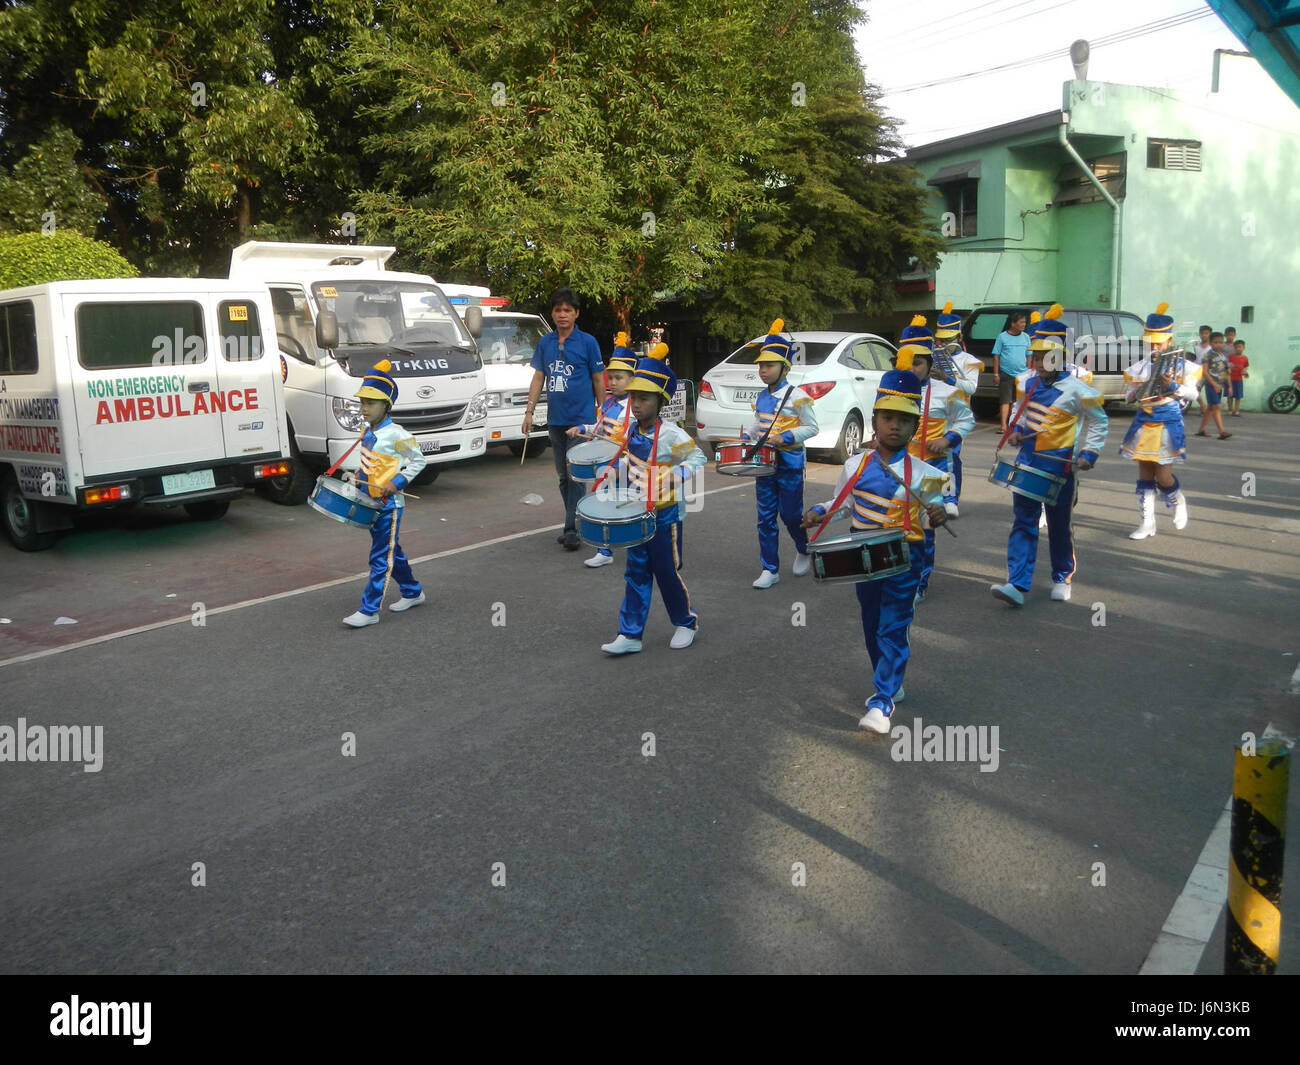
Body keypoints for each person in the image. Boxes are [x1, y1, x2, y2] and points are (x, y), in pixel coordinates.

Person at [801, 369, 948, 733]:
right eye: (887, 418)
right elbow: (842, 502)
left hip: (904, 559)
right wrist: (819, 511)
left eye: (903, 420)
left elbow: (935, 513)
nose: (894, 427)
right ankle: (890, 682)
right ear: (874, 421)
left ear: (915, 427)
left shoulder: (927, 474)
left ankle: (881, 702)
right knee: (871, 623)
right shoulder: (855, 464)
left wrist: (939, 513)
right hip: (860, 558)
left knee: (893, 626)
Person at [989, 309, 1108, 606]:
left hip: (1060, 469)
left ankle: (1062, 576)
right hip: (1029, 465)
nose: (1036, 363)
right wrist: (1015, 430)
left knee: (1058, 525)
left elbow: (1099, 421)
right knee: (1023, 522)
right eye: (1035, 357)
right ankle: (1016, 583)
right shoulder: (1026, 383)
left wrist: (1089, 453)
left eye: (1042, 358)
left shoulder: (1078, 390)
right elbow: (1020, 411)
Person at [600, 348, 708, 656]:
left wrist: (676, 475)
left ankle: (686, 622)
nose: (636, 404)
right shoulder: (632, 429)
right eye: (634, 398)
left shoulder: (672, 435)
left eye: (644, 398)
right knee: (635, 572)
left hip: (664, 516)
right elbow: (627, 463)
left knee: (666, 572)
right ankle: (630, 633)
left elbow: (699, 456)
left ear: (660, 401)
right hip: (637, 513)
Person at [341, 360, 428, 628]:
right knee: (392, 552)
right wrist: (359, 475)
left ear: (386, 405)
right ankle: (413, 592)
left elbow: (419, 460)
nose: (364, 408)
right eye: (362, 402)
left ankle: (369, 610)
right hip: (370, 503)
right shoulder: (369, 431)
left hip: (388, 505)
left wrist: (398, 480)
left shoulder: (396, 434)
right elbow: (370, 461)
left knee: (380, 557)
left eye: (371, 403)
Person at [522, 288, 606, 550]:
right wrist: (529, 410)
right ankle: (576, 521)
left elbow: (597, 378)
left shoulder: (588, 343)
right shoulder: (546, 343)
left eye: (567, 310)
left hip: (580, 421)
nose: (562, 314)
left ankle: (572, 528)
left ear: (576, 313)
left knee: (574, 475)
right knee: (562, 476)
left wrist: (603, 413)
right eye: (558, 310)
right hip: (555, 420)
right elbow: (539, 377)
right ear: (553, 313)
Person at [743, 318, 819, 589]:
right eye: (761, 365)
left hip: (789, 463)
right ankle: (770, 568)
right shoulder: (762, 396)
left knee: (790, 515)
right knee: (764, 518)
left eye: (769, 365)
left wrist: (785, 437)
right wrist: (747, 436)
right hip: (764, 464)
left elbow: (812, 427)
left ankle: (803, 548)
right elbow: (759, 424)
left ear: (785, 368)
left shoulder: (798, 396)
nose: (763, 370)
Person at [897, 344, 973, 603]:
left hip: (932, 470)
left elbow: (966, 420)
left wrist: (947, 439)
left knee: (925, 529)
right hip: (899, 470)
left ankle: (920, 582)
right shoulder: (892, 390)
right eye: (907, 363)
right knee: (897, 525)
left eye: (917, 363)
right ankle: (898, 575)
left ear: (930, 365)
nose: (911, 369)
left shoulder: (947, 393)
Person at [1119, 302, 1200, 539]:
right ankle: (1147, 523)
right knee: (1145, 474)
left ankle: (1178, 500)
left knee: (1162, 476)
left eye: (1159, 343)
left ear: (1169, 341)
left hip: (1168, 422)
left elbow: (1194, 394)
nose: (1155, 347)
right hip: (1144, 422)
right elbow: (1128, 395)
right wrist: (1133, 394)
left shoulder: (1184, 365)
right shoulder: (1141, 367)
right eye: (1152, 343)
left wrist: (1173, 386)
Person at [568, 332, 637, 568]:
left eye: (619, 378)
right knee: (604, 504)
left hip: (628, 467)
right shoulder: (607, 404)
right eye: (611, 378)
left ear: (633, 379)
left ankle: (637, 542)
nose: (613, 382)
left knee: (631, 504)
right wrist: (581, 427)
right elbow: (597, 428)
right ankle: (604, 551)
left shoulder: (636, 407)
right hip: (607, 465)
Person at [934, 302, 982, 510]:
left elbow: (971, 388)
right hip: (934, 414)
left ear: (957, 338)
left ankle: (951, 499)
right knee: (931, 457)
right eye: (939, 339)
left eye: (946, 339)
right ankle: (936, 498)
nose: (942, 343)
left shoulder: (970, 361)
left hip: (956, 418)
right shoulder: (932, 358)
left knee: (950, 457)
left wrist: (950, 379)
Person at [991, 310, 1030, 433]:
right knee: (1005, 400)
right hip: (1006, 373)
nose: (1024, 324)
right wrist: (996, 374)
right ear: (1013, 324)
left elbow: (1029, 355)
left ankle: (1016, 425)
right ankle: (1003, 426)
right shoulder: (1002, 337)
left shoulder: (1026, 337)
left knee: (1019, 401)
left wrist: (1028, 372)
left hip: (1022, 375)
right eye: (1021, 322)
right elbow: (996, 356)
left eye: (1024, 322)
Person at [1196, 332, 1232, 439]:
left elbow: (1227, 372)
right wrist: (1214, 384)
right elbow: (1205, 372)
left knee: (1210, 408)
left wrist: (1230, 386)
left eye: (1220, 342)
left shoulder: (1224, 356)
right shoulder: (1208, 355)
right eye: (1215, 342)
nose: (1218, 344)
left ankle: (1201, 430)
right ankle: (1222, 431)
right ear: (1210, 343)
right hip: (1211, 385)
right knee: (1216, 407)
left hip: (1220, 386)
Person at [1192, 325, 1213, 414]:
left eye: (1206, 333)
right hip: (1198, 371)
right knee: (1194, 389)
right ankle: (1202, 406)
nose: (1204, 335)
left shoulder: (1212, 347)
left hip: (1209, 372)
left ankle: (1209, 409)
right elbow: (1196, 358)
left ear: (1210, 334)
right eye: (1202, 333)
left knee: (1210, 392)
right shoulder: (1196, 347)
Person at [1228, 339, 1250, 416]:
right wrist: (1229, 367)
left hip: (1238, 380)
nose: (1238, 349)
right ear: (1234, 348)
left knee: (1238, 396)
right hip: (1230, 380)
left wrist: (1245, 372)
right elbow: (1226, 365)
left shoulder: (1245, 358)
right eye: (1236, 347)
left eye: (1240, 347)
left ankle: (1236, 410)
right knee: (1229, 396)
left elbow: (1246, 367)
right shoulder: (1230, 357)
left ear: (1244, 348)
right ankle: (1230, 410)